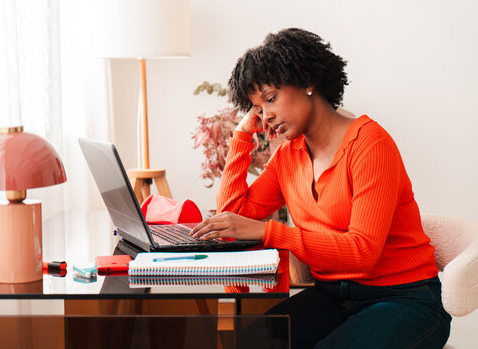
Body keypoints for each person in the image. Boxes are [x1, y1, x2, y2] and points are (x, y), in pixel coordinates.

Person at [190, 28, 452, 348]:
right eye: (258, 109)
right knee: (247, 343)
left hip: (405, 300)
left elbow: (362, 253)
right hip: (332, 297)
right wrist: (242, 135)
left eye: (271, 99)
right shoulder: (289, 154)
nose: (266, 115)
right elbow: (234, 217)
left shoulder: (370, 145)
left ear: (308, 82)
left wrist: (270, 232)